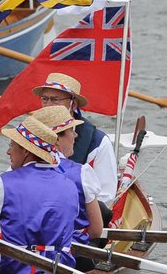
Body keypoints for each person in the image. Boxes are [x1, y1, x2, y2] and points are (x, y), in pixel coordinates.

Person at [0, 115, 78, 274]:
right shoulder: (70, 185)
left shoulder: (2, 183)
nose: (8, 151)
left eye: (12, 145)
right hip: (59, 273)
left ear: (26, 150)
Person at [32, 105, 104, 271]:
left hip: (21, 260)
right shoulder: (83, 173)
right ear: (57, 140)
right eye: (72, 130)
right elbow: (96, 230)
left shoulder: (14, 173)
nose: (76, 134)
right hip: (68, 258)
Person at [32, 73, 115, 203]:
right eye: (44, 99)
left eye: (55, 100)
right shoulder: (28, 134)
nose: (48, 105)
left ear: (73, 105)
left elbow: (105, 196)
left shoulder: (98, 143)